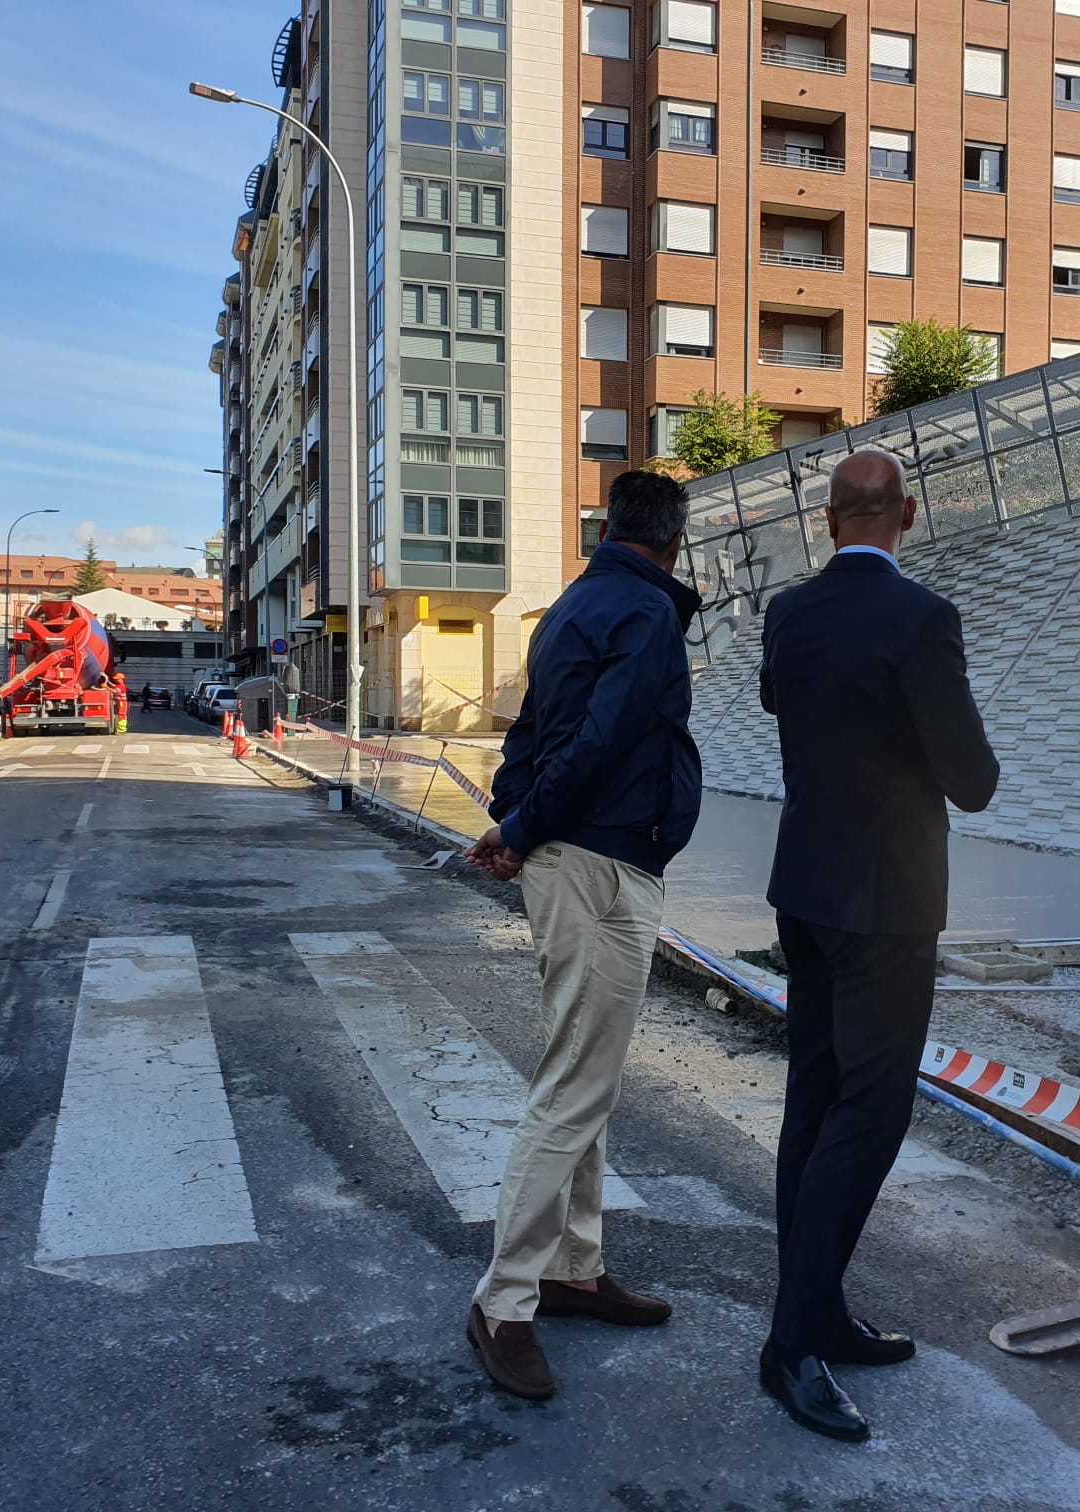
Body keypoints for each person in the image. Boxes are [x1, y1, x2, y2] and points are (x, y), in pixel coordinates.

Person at [755, 449, 999, 1442]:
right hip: (888, 900)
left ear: (827, 520)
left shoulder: (787, 615)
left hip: (804, 890)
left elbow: (788, 711)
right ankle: (790, 1343)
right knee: (873, 1111)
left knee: (814, 1099)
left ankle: (815, 1315)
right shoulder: (922, 619)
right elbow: (972, 779)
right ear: (908, 515)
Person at [463, 470, 702, 1403]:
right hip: (602, 868)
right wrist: (521, 831)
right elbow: (600, 739)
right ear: (674, 542)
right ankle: (504, 1301)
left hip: (570, 859)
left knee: (584, 1076)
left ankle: (572, 1267)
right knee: (572, 1087)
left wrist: (515, 820)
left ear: (611, 527)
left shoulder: (570, 608)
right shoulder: (644, 615)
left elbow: (531, 732)